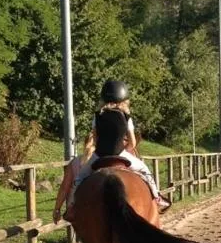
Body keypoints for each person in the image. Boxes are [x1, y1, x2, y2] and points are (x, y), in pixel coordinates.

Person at [72, 80, 170, 212]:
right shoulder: (126, 117)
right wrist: (127, 150)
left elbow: (95, 139)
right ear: (124, 99)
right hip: (120, 154)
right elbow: (133, 143)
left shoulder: (97, 116)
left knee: (79, 178)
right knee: (145, 171)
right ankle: (157, 197)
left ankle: (74, 206)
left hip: (99, 155)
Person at [52, 134, 95, 243]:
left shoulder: (75, 163)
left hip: (74, 210)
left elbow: (64, 187)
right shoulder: (98, 162)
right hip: (93, 208)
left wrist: (56, 209)